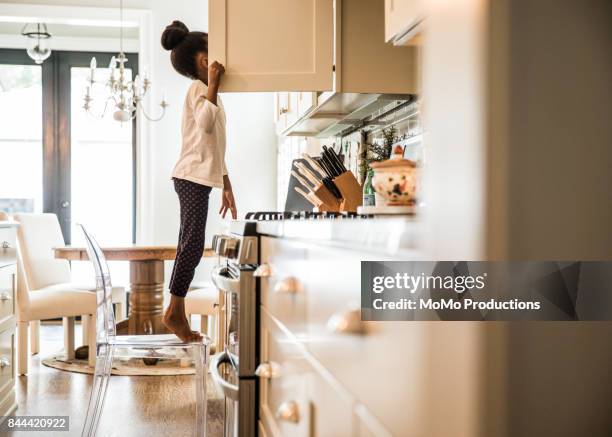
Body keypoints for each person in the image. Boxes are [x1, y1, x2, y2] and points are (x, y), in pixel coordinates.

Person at [160, 20, 237, 342]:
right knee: (191, 244)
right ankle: (174, 311)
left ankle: (174, 310)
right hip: (190, 176)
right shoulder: (199, 90)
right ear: (205, 61)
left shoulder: (205, 93)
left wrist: (227, 185)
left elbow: (214, 145)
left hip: (198, 177)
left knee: (189, 243)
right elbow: (206, 124)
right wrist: (214, 85)